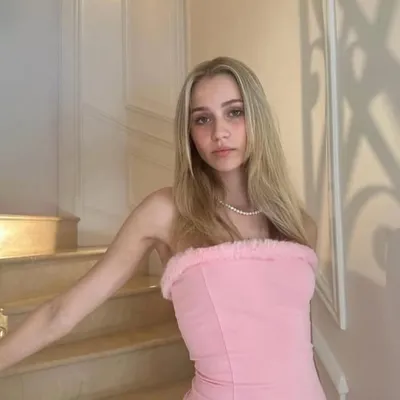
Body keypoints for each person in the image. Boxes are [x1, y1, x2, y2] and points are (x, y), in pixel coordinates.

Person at [0, 56, 326, 399]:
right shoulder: (167, 212)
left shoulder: (300, 224)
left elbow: (293, 344)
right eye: (202, 119)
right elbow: (60, 314)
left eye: (234, 112)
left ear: (257, 118)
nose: (219, 132)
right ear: (190, 134)